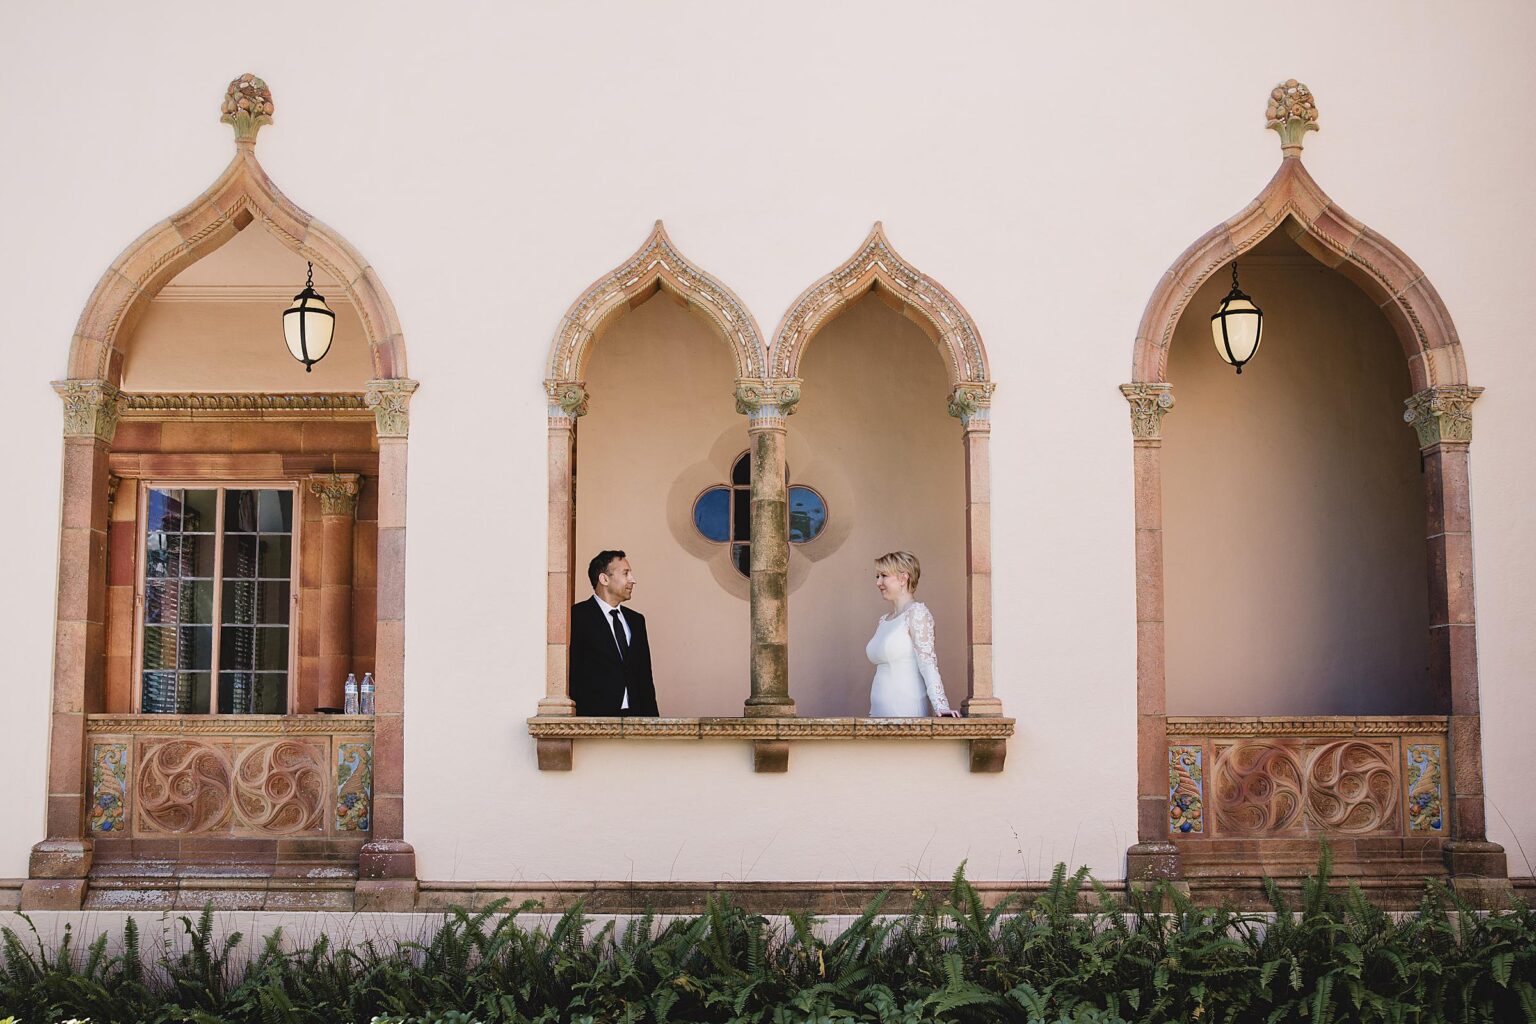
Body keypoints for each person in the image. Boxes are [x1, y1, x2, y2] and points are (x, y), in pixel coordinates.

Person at [866, 550, 961, 718]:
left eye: (884, 575)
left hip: (906, 708)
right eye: (877, 576)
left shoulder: (917, 613)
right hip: (879, 712)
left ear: (903, 578)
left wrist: (941, 706)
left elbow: (928, 663)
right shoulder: (884, 621)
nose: (878, 582)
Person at [569, 550, 659, 717]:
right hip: (592, 722)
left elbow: (645, 679)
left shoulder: (636, 621)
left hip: (636, 720)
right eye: (626, 573)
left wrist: (653, 725)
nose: (633, 580)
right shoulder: (576, 617)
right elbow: (571, 672)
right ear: (604, 579)